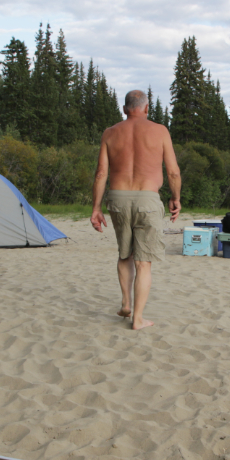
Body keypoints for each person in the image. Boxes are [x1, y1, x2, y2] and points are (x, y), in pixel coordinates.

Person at [91, 90, 181, 330]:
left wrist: (96, 208)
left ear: (124, 109)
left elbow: (101, 173)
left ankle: (126, 303)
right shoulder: (160, 131)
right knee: (144, 262)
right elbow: (173, 171)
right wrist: (176, 198)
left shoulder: (110, 133)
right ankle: (138, 319)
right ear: (147, 108)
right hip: (148, 198)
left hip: (118, 198)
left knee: (124, 254)